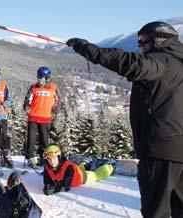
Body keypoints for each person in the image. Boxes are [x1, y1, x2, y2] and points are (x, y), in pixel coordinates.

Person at [66, 21, 183, 218]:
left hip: (160, 150)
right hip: (179, 151)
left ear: (160, 40)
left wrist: (87, 48)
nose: (141, 47)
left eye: (144, 41)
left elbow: (129, 62)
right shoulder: (178, 64)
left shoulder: (161, 61)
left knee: (156, 211)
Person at [23, 67, 60, 169]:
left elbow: (57, 102)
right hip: (33, 117)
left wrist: (54, 112)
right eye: (39, 78)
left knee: (44, 140)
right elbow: (27, 99)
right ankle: (30, 158)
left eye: (42, 78)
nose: (40, 80)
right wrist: (26, 106)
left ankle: (44, 158)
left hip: (46, 118)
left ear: (47, 78)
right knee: (31, 139)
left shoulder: (53, 88)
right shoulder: (34, 87)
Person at [42, 145, 113, 195]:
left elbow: (66, 185)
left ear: (59, 157)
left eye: (54, 158)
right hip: (77, 170)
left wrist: (54, 189)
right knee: (80, 167)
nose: (52, 161)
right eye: (49, 159)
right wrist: (47, 186)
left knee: (97, 175)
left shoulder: (68, 167)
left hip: (82, 177)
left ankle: (110, 165)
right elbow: (47, 179)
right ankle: (85, 162)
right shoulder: (47, 167)